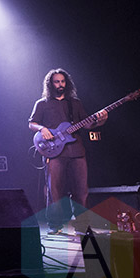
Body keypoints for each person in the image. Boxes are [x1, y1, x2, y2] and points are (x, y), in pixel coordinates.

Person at [29, 68, 107, 235]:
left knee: (81, 191)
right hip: (54, 152)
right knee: (55, 190)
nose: (60, 85)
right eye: (57, 82)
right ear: (50, 84)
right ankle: (55, 225)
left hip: (77, 151)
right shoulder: (42, 103)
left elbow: (86, 123)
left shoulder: (75, 103)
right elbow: (32, 123)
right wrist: (42, 129)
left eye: (63, 81)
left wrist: (99, 121)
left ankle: (82, 226)